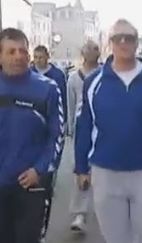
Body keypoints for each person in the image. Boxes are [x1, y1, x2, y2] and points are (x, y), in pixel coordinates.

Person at [74, 19, 142, 243]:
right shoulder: (94, 82)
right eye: (117, 38)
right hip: (105, 172)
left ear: (136, 43)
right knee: (116, 237)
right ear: (110, 44)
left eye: (129, 38)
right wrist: (81, 167)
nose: (123, 42)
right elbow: (84, 125)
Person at [0, 28, 64, 243]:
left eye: (22, 51)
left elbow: (57, 136)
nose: (18, 56)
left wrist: (40, 169)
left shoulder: (47, 88)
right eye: (11, 51)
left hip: (31, 184)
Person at [31, 44, 67, 241]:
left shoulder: (57, 76)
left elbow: (61, 104)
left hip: (50, 132)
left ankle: (41, 231)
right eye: (35, 57)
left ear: (47, 56)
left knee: (45, 183)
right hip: (33, 135)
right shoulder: (28, 74)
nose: (38, 60)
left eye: (41, 56)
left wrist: (64, 125)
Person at [67, 40, 101, 233]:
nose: (92, 52)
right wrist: (71, 128)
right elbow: (71, 104)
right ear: (82, 53)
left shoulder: (105, 75)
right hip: (82, 126)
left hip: (101, 125)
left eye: (95, 49)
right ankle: (80, 213)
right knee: (81, 169)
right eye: (88, 49)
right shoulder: (73, 78)